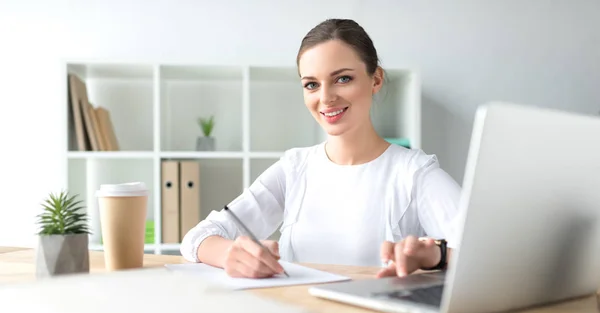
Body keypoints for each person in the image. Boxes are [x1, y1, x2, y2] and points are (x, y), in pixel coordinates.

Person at [180, 18, 462, 279]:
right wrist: (232, 254)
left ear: (375, 79)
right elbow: (199, 237)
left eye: (343, 79)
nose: (325, 98)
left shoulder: (413, 174)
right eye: (312, 84)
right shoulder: (294, 168)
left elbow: (488, 254)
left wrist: (435, 256)